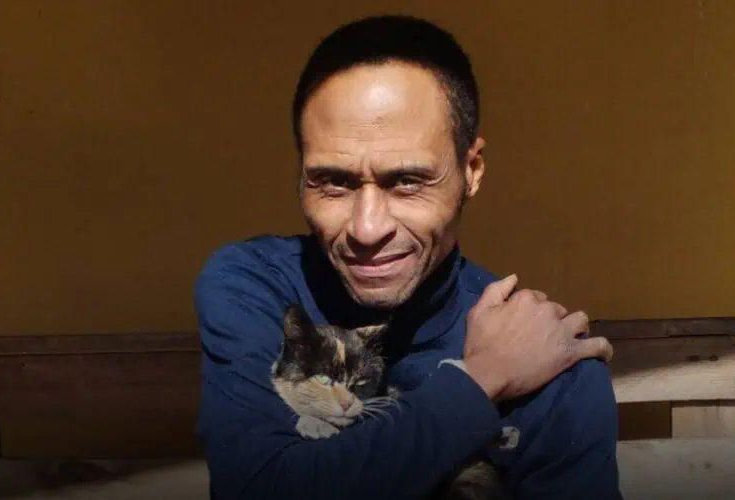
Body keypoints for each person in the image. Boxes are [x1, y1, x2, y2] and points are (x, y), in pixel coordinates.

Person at [194, 14, 621, 500]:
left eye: (408, 181)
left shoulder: (553, 360)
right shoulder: (255, 287)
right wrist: (484, 378)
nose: (367, 228)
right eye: (333, 181)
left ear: (471, 170)